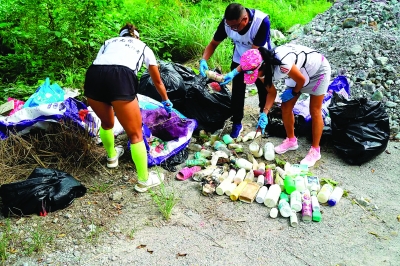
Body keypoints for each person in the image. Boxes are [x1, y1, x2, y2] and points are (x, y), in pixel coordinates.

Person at [84, 23, 173, 192]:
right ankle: (143, 180)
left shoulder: (108, 42)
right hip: (120, 78)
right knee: (135, 134)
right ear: (137, 37)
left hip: (93, 77)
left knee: (107, 123)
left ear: (120, 35)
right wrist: (166, 100)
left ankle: (111, 157)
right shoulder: (144, 47)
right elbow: (158, 81)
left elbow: (101, 64)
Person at [239, 44, 331, 167]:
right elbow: (272, 93)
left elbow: (301, 81)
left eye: (255, 73)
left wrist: (294, 92)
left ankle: (315, 151)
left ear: (263, 65)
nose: (255, 76)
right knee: (286, 107)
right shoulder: (260, 71)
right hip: (299, 71)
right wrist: (264, 113)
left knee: (314, 109)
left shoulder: (283, 63)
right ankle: (291, 141)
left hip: (317, 70)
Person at [199, 3, 271, 138]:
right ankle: (237, 121)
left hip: (259, 58)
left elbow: (253, 54)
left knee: (262, 88)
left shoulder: (261, 22)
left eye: (235, 26)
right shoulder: (228, 23)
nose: (232, 29)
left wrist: (234, 72)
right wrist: (203, 60)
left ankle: (263, 117)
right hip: (239, 56)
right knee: (237, 90)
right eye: (230, 26)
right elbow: (213, 43)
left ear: (245, 19)